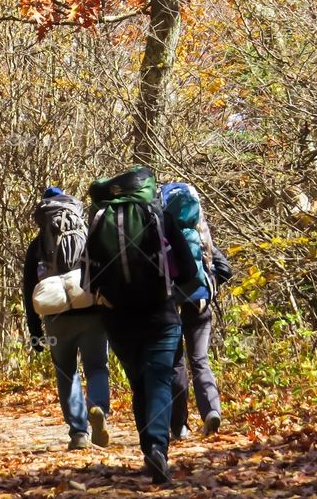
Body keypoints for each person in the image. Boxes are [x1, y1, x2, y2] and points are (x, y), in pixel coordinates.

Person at [85, 167, 199, 484]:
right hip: (160, 314)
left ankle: (149, 448)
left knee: (140, 385)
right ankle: (157, 448)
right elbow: (189, 271)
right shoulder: (160, 216)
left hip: (117, 319)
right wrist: (171, 293)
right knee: (159, 381)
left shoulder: (99, 220)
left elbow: (88, 280)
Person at [22, 187, 111, 450]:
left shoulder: (38, 245)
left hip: (56, 317)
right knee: (97, 367)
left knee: (66, 372)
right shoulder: (88, 234)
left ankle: (78, 433)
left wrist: (35, 331)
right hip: (92, 313)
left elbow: (29, 290)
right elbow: (105, 271)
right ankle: (98, 408)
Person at [163, 182, 222, 440]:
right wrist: (211, 286)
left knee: (176, 364)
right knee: (200, 360)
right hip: (200, 301)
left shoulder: (161, 232)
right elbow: (224, 267)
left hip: (170, 302)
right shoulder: (201, 232)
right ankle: (211, 410)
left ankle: (179, 426)